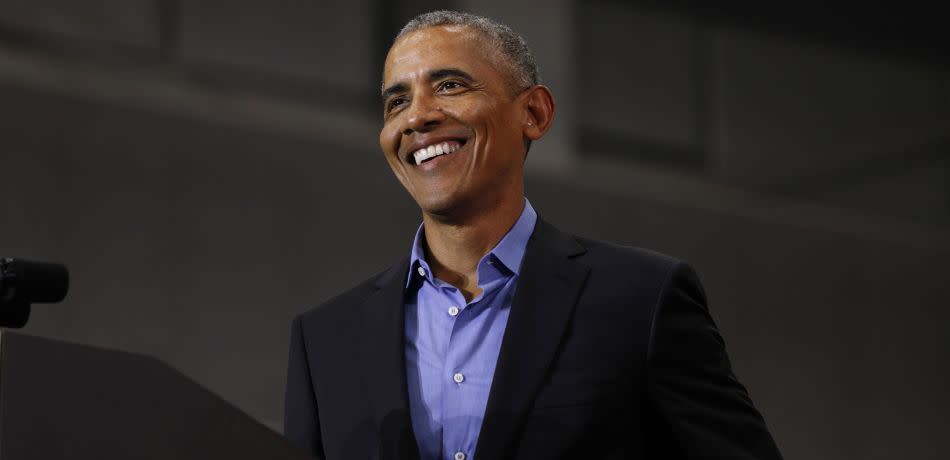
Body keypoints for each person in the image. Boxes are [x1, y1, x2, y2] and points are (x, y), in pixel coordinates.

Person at [284, 10, 782, 460]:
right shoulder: (325, 339)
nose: (417, 116)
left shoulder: (641, 300)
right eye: (397, 101)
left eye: (451, 85)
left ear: (535, 113)